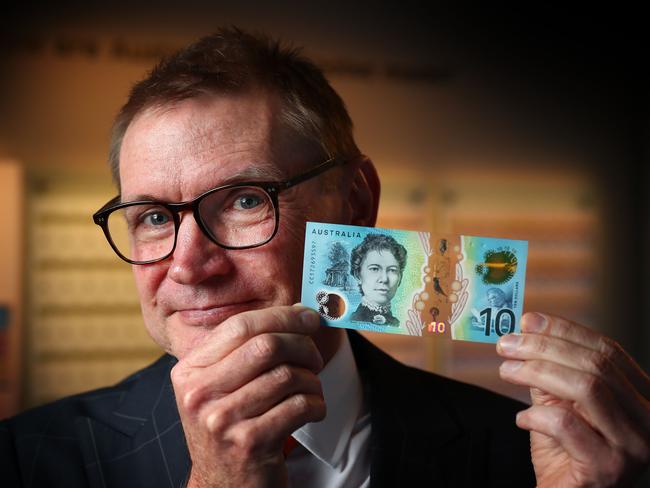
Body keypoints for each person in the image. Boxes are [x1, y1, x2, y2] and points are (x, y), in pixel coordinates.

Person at [1, 27, 648, 488]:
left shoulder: (517, 452)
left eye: (245, 199)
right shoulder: (25, 460)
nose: (189, 267)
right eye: (151, 217)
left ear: (355, 200)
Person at [349, 233, 406, 326]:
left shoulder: (397, 324)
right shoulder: (354, 320)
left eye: (392, 270)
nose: (384, 279)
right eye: (374, 269)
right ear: (358, 275)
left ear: (400, 278)